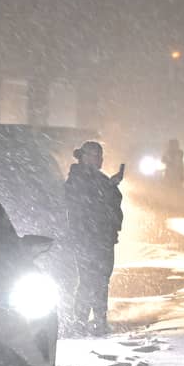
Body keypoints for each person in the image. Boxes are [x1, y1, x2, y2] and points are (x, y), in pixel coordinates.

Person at [64, 141, 123, 336]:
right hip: (87, 238)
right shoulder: (77, 179)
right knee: (90, 280)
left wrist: (112, 186)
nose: (98, 160)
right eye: (94, 155)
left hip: (102, 238)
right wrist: (110, 186)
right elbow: (89, 203)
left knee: (100, 280)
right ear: (83, 157)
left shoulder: (98, 179)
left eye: (100, 156)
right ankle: (82, 321)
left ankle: (97, 320)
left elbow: (111, 204)